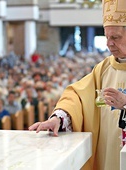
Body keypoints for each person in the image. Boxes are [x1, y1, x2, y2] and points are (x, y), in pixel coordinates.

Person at [29, 1, 126, 170]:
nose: (109, 43)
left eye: (115, 37)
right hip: (107, 156)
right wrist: (58, 119)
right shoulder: (103, 69)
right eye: (107, 37)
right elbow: (78, 97)